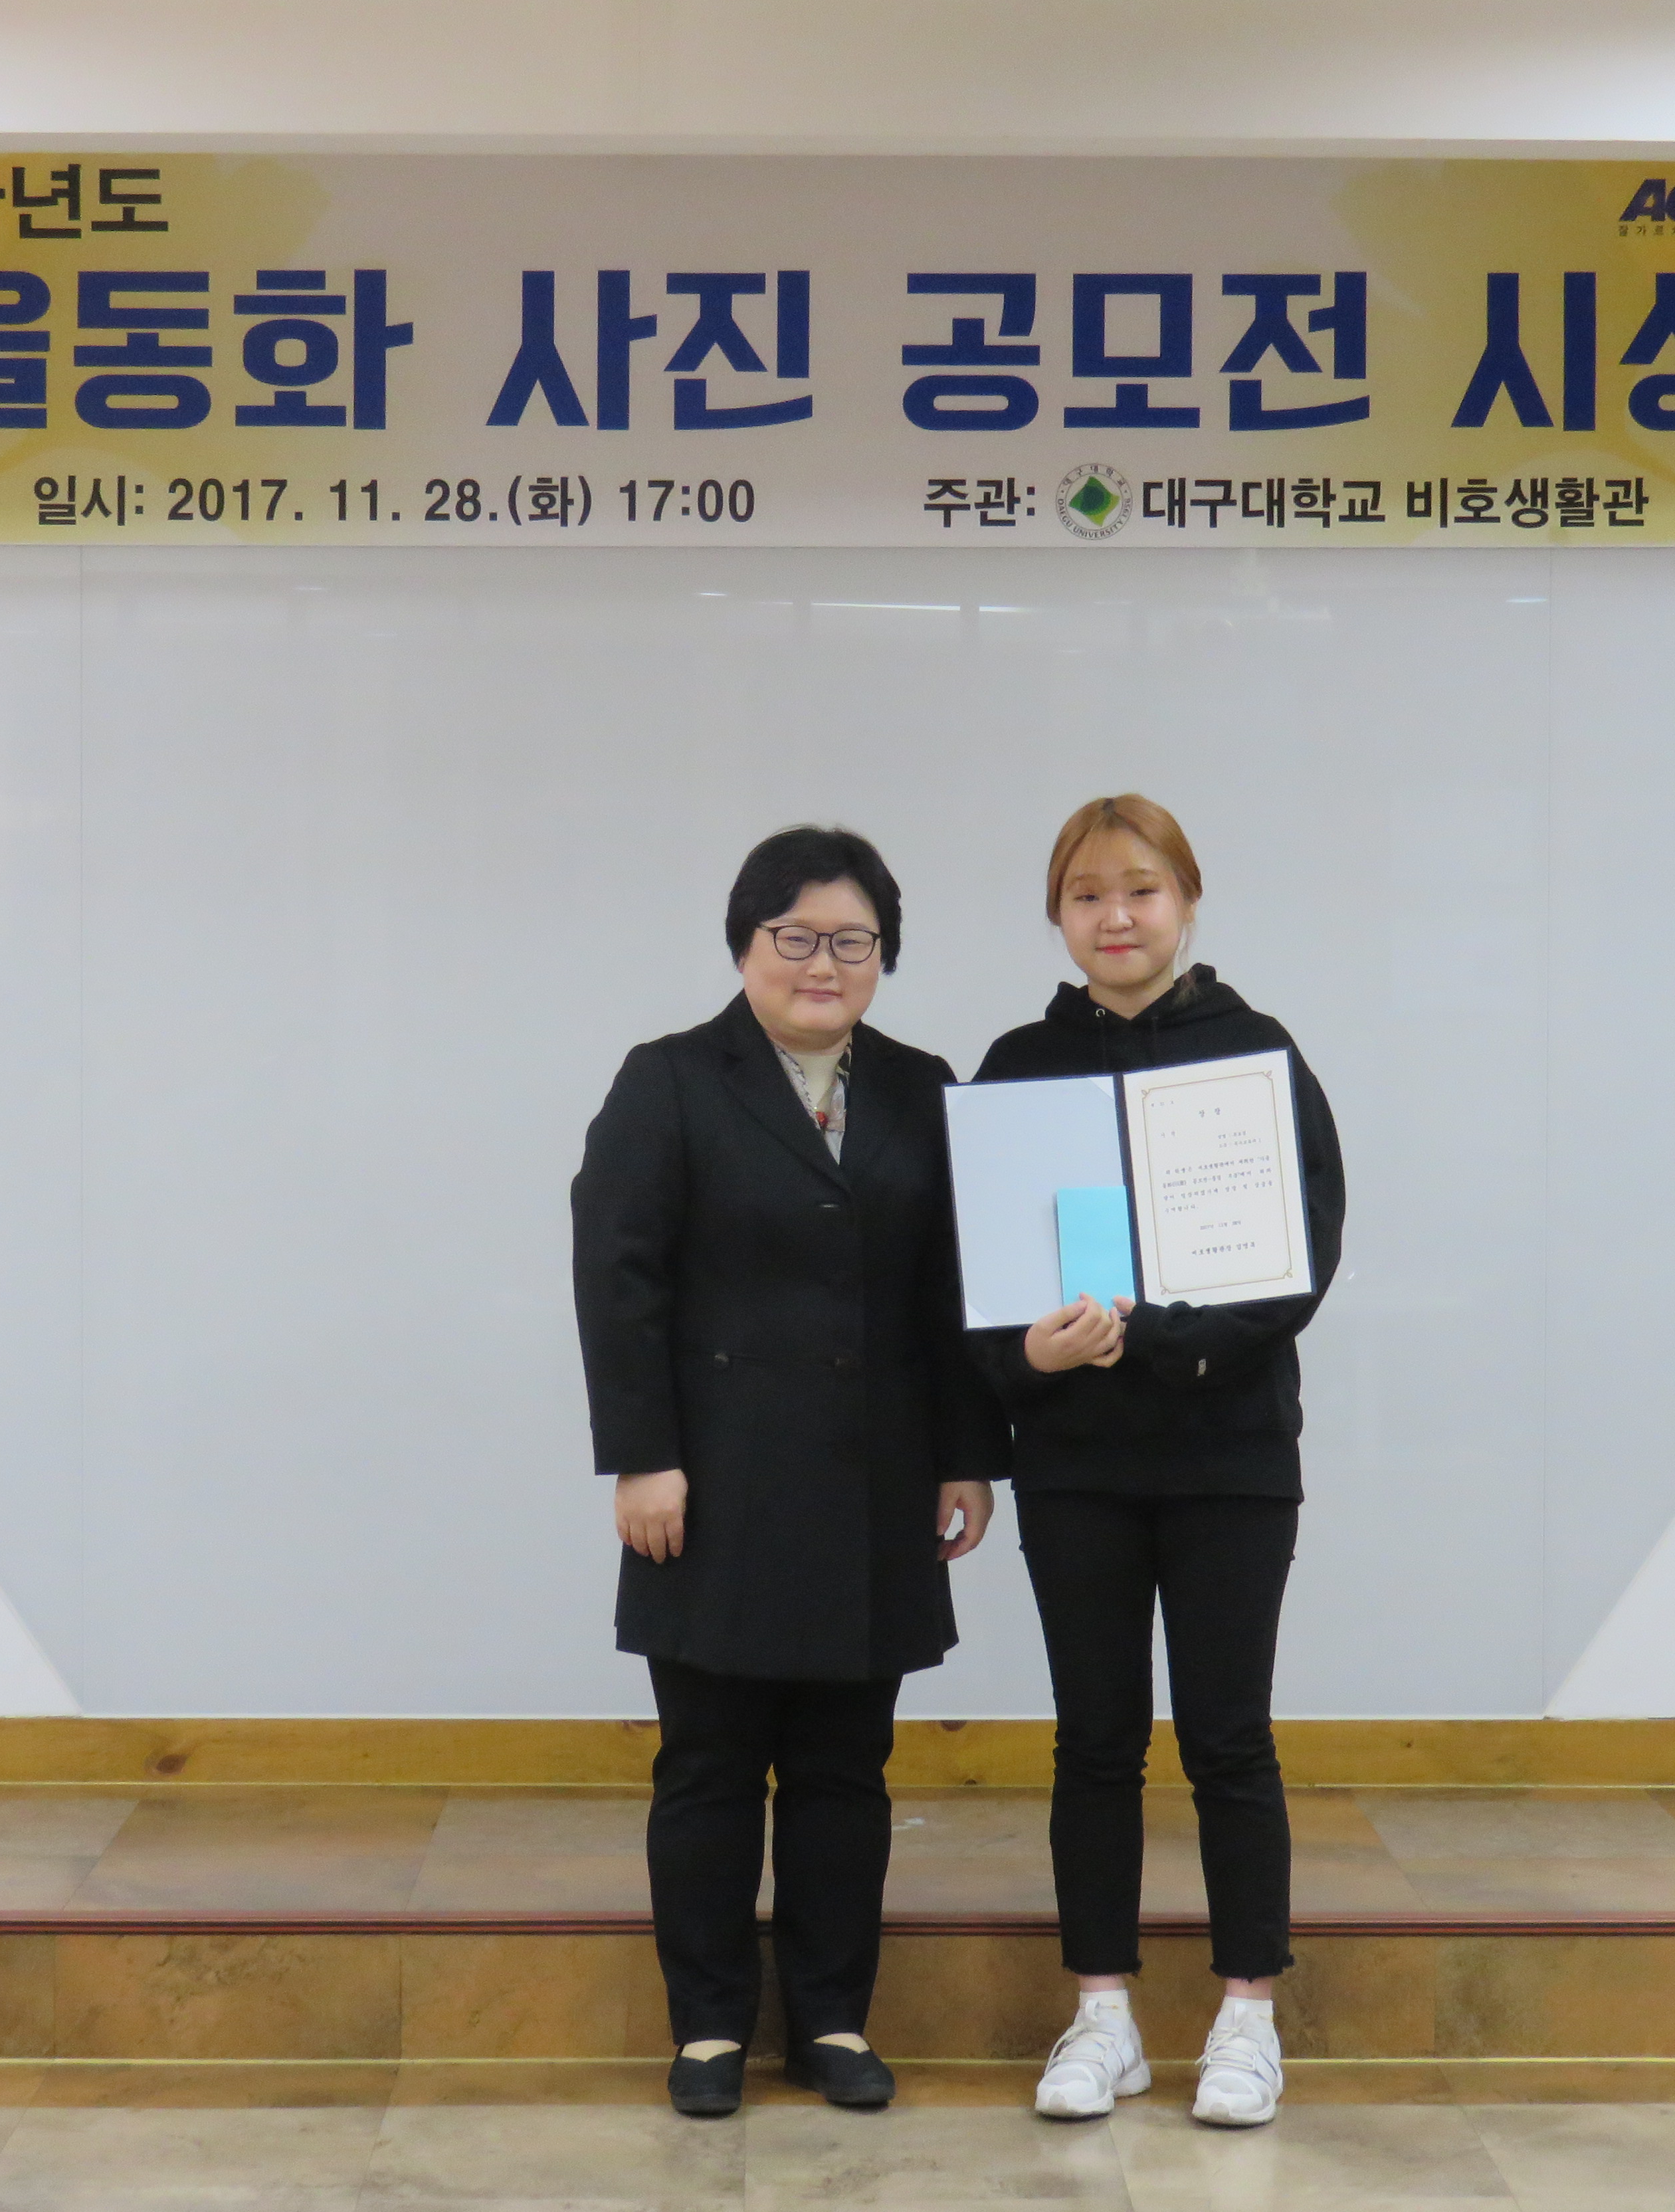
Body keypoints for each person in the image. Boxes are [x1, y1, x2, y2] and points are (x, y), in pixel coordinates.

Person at [571, 825, 1005, 2120]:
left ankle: (831, 2019)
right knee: (709, 1765)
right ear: (746, 944)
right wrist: (642, 1457)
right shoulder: (669, 1079)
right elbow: (618, 1279)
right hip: (712, 1486)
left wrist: (968, 1457)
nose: (825, 963)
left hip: (876, 1487)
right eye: (797, 937)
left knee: (845, 1770)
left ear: (885, 954)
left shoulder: (924, 1087)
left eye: (853, 940)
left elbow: (954, 1291)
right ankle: (709, 2028)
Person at [973, 794, 1345, 2131]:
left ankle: (1247, 2018)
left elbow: (1301, 1260)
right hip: (1075, 1463)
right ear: (1057, 916)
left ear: (1186, 902)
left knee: (1230, 1738)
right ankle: (1104, 2017)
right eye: (1087, 895)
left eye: (1141, 889)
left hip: (1230, 1458)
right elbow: (973, 1282)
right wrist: (1033, 1357)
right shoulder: (1018, 1070)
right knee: (1095, 1740)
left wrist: (1157, 1342)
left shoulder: (1256, 1054)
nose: (1116, 916)